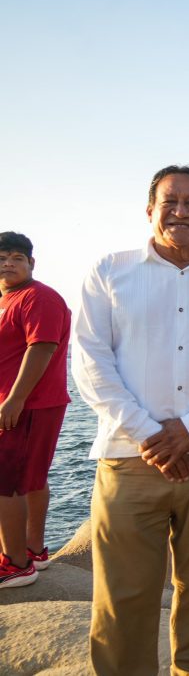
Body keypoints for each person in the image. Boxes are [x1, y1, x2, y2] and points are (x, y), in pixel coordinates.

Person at [73, 165, 189, 675]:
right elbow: (90, 361)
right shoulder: (110, 272)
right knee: (123, 595)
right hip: (129, 461)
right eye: (170, 201)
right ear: (150, 209)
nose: (181, 211)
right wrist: (150, 434)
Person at [0, 232, 70, 589]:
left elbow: (41, 347)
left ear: (31, 263)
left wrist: (14, 399)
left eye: (16, 257)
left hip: (28, 404)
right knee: (30, 478)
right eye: (2, 258)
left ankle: (14, 564)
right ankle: (34, 551)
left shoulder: (37, 297)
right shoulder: (9, 299)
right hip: (24, 403)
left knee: (6, 483)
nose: (8, 264)